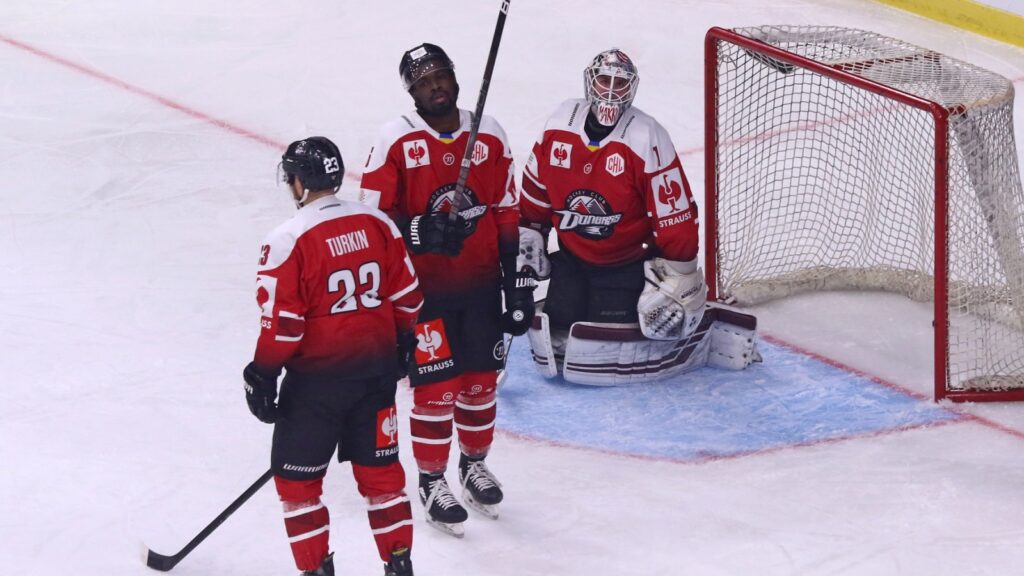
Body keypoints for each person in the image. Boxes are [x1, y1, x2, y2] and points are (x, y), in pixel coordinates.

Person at [359, 43, 534, 538]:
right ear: (411, 93)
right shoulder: (395, 140)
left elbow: (504, 211)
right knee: (435, 393)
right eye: (422, 82)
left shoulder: (489, 133)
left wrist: (516, 284)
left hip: (480, 290)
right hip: (423, 295)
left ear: (455, 79)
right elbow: (375, 220)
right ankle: (432, 480)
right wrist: (417, 231)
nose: (434, 86)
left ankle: (473, 465)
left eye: (440, 76)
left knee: (480, 387)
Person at [243, 136, 422, 576]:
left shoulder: (288, 239)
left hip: (315, 389)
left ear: (299, 182)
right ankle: (399, 566)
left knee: (298, 484)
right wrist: (402, 345)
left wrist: (262, 375)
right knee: (383, 481)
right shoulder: (378, 223)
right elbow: (409, 297)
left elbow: (284, 327)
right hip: (375, 377)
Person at [519, 48, 744, 384]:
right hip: (574, 257)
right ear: (589, 82)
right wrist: (531, 232)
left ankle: (683, 309)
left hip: (626, 263)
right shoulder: (558, 124)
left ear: (632, 88)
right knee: (559, 324)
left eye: (620, 83)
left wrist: (680, 276)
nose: (611, 91)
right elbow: (536, 188)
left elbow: (675, 216)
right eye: (605, 80)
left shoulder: (647, 137)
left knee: (613, 327)